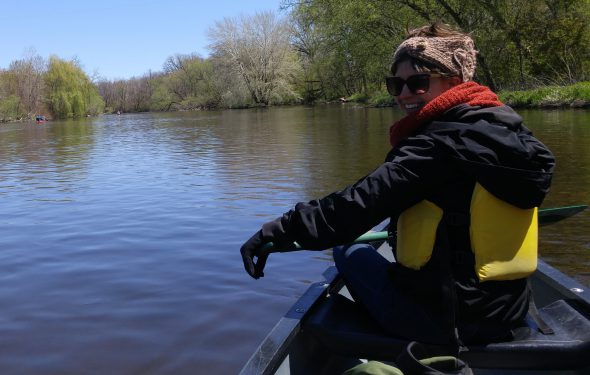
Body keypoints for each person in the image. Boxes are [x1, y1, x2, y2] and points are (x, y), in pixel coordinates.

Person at [240, 22, 554, 346]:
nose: (404, 94)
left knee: (348, 248)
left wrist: (278, 230)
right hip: (510, 314)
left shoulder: (435, 147)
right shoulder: (516, 135)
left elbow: (353, 207)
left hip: (448, 324)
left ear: (453, 80)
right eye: (396, 84)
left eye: (417, 83)